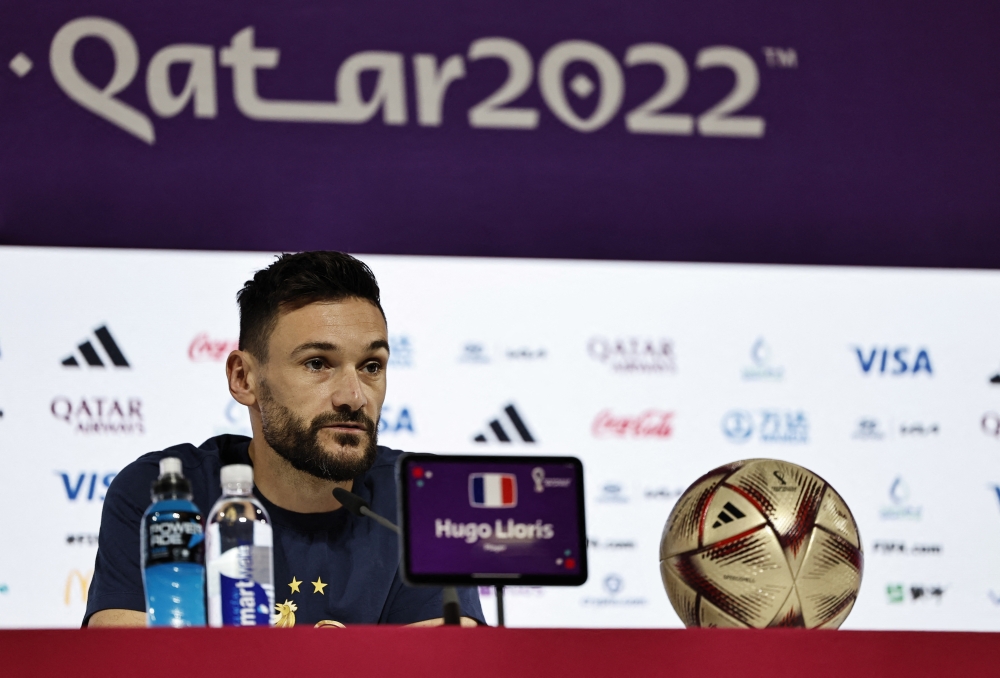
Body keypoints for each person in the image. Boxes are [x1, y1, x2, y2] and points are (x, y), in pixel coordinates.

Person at [85, 251, 484, 627]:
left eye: (371, 366)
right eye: (317, 363)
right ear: (244, 378)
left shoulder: (422, 499)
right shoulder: (167, 498)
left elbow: (446, 664)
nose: (354, 395)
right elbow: (126, 663)